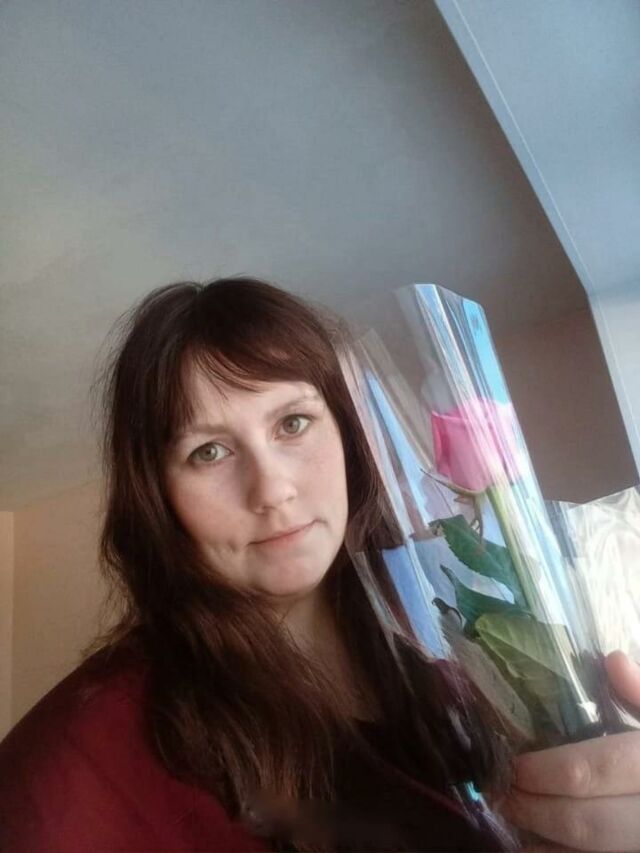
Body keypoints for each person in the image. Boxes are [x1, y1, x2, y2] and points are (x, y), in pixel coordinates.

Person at [1, 277, 639, 852]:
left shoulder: (448, 648)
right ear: (157, 498)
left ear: (350, 435)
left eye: (293, 423)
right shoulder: (89, 750)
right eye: (209, 452)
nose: (272, 490)